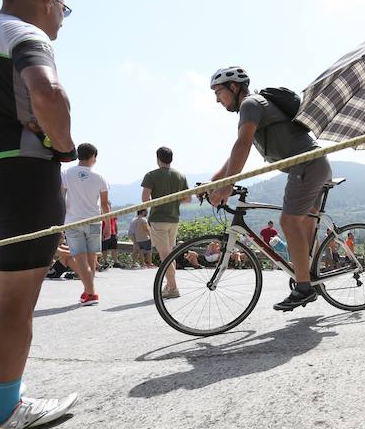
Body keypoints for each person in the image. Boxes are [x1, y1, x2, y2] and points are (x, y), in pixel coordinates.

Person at [0, 0, 79, 429]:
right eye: (63, 8)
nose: (60, 18)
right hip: (21, 175)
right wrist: (64, 144)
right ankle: (6, 413)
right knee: (17, 300)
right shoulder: (21, 31)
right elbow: (47, 91)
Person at [207, 67, 332, 312]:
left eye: (218, 92)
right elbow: (238, 150)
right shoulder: (255, 106)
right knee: (305, 225)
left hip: (306, 165)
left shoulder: (250, 104)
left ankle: (304, 288)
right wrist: (215, 181)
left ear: (233, 87)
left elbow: (242, 144)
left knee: (288, 221)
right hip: (314, 164)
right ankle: (311, 278)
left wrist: (227, 185)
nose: (216, 100)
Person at [62, 142, 110, 307]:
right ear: (94, 157)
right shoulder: (100, 177)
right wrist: (108, 225)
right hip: (94, 221)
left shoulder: (66, 173)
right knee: (91, 258)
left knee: (80, 258)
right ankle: (89, 291)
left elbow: (61, 199)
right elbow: (105, 205)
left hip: (73, 221)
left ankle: (91, 292)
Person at [141, 146, 190, 298]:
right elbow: (187, 199)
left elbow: (144, 199)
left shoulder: (151, 175)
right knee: (169, 253)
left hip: (158, 219)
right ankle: (169, 286)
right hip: (174, 219)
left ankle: (173, 288)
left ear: (157, 158)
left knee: (165, 255)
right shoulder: (180, 176)